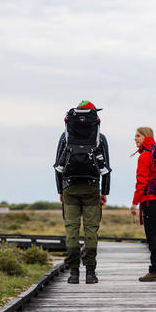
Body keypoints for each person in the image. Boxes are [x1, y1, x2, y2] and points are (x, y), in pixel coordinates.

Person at [54, 101, 111, 284]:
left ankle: (73, 273)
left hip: (69, 187)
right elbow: (106, 168)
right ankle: (91, 273)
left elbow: (57, 167)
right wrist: (105, 191)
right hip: (92, 187)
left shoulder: (65, 138)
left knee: (71, 229)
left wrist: (60, 190)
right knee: (90, 230)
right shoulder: (100, 138)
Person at [130, 127, 156, 282]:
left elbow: (141, 182)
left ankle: (155, 270)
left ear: (146, 137)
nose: (135, 139)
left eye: (138, 136)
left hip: (150, 200)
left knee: (153, 235)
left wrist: (135, 202)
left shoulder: (145, 156)